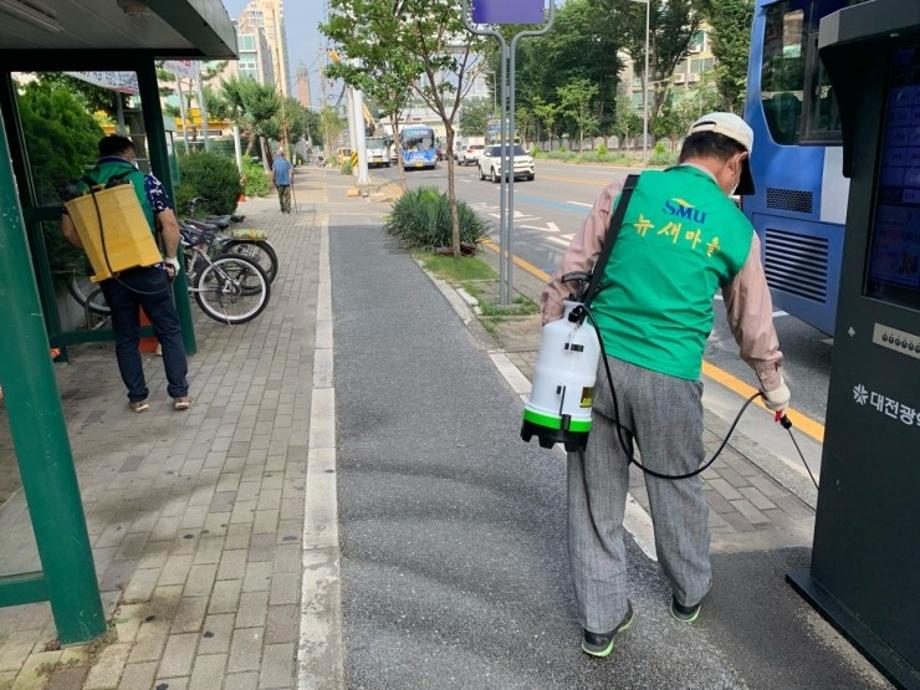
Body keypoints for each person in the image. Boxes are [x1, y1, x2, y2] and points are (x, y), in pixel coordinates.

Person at [541, 113, 790, 658]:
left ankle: (601, 621)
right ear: (735, 161)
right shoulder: (733, 227)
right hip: (670, 378)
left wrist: (554, 347)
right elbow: (753, 325)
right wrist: (772, 385)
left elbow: (571, 272)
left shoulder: (627, 188)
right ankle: (687, 593)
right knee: (677, 489)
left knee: (593, 494)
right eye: (737, 176)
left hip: (596, 367)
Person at [61, 135, 191, 413]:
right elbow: (169, 223)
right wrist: (170, 259)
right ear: (129, 153)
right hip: (148, 268)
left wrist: (98, 247)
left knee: (126, 337)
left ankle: (138, 398)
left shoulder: (81, 187)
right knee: (168, 330)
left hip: (111, 273)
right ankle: (179, 394)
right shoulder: (146, 181)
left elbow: (70, 232)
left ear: (100, 155)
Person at [272, 149, 294, 213]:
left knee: (280, 196)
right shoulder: (287, 162)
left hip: (279, 182)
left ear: (278, 155)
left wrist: (273, 179)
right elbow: (291, 171)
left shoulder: (275, 162)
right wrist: (292, 178)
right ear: (283, 155)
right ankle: (288, 209)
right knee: (287, 196)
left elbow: (274, 172)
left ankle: (283, 209)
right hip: (287, 182)